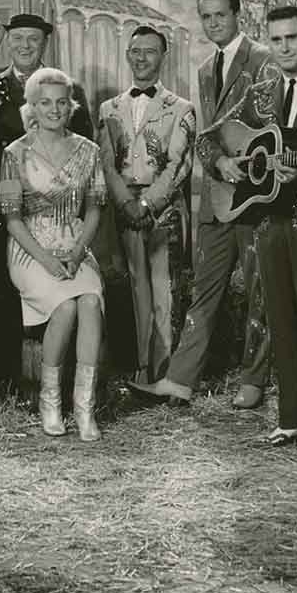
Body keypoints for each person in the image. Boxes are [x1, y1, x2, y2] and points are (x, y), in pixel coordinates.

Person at [203, 6, 297, 454]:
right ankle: (290, 418)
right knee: (280, 320)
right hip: (267, 221)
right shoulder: (261, 92)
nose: (285, 47)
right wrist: (224, 162)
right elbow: (206, 138)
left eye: (292, 38)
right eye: (276, 40)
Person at [146, 0, 273, 410]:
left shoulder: (264, 60)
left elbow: (272, 132)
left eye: (220, 14)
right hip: (216, 195)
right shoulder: (205, 69)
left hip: (255, 193)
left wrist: (244, 162)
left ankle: (254, 381)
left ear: (238, 15)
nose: (213, 23)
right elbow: (206, 136)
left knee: (261, 290)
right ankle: (180, 380)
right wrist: (217, 162)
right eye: (205, 16)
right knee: (204, 289)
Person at [0, 12, 92, 395]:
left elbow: (83, 149)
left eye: (33, 39)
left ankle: (60, 379)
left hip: (58, 215)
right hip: (6, 209)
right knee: (3, 294)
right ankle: (10, 379)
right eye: (17, 38)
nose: (25, 46)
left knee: (67, 293)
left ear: (45, 43)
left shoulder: (67, 87)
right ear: (8, 41)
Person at [0, 67, 108, 441]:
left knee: (90, 301)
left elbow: (94, 209)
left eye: (61, 102)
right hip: (30, 248)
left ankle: (84, 408)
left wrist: (78, 253)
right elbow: (12, 221)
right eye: (45, 102)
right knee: (65, 306)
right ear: (31, 107)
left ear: (71, 105)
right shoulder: (14, 153)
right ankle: (51, 403)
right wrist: (46, 259)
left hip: (75, 245)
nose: (54, 109)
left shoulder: (89, 150)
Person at [100, 27, 197, 388]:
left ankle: (167, 371)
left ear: (163, 57)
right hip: (125, 210)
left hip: (163, 209)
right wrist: (126, 202)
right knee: (137, 286)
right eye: (135, 51)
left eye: (150, 52)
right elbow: (107, 163)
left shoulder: (181, 109)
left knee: (165, 290)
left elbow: (179, 165)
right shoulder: (108, 108)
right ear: (127, 55)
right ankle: (142, 366)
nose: (141, 58)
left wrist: (147, 202)